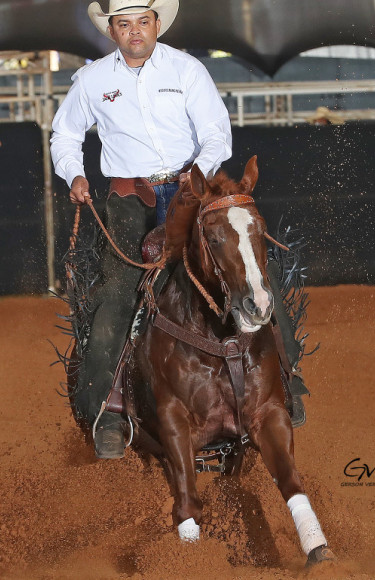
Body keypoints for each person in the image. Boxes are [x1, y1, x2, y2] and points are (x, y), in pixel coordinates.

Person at [51, 0, 308, 460]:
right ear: (112, 30)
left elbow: (215, 134)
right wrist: (74, 174)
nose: (135, 32)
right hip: (131, 199)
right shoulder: (92, 81)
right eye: (124, 24)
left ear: (156, 25)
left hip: (193, 190)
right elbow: (65, 135)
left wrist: (196, 182)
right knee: (117, 292)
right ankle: (106, 409)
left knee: (247, 273)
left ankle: (287, 382)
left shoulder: (187, 70)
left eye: (142, 22)